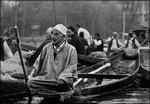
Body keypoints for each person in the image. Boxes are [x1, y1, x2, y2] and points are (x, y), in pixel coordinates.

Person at [27, 24, 78, 93]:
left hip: (62, 81)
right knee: (30, 82)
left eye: (56, 34)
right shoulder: (46, 48)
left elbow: (72, 67)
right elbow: (37, 64)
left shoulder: (71, 49)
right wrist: (32, 74)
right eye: (52, 33)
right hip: (47, 79)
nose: (53, 36)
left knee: (63, 84)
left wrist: (63, 77)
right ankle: (50, 87)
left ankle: (54, 87)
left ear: (63, 36)